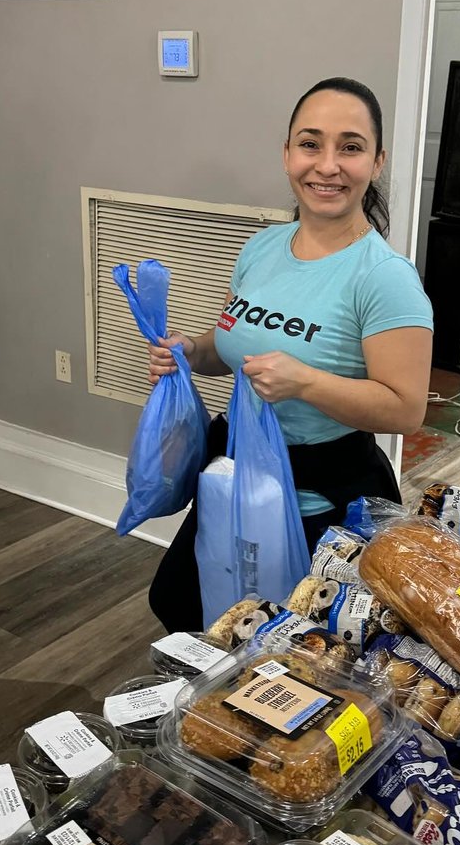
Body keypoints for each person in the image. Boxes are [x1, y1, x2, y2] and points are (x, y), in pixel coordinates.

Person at [146, 77, 434, 632]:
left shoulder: (384, 278)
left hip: (321, 504)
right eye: (310, 144)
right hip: (236, 480)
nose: (327, 165)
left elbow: (405, 410)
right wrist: (192, 350)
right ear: (287, 155)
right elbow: (231, 347)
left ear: (376, 162)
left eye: (350, 147)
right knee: (184, 608)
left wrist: (306, 383)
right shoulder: (262, 248)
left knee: (288, 651)